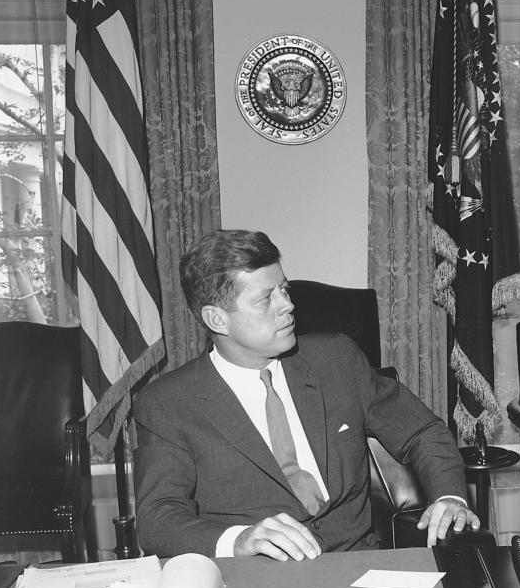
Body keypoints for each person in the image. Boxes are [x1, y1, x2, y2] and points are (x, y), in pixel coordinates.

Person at [135, 229, 478, 560]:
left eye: (283, 288)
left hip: (357, 568)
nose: (287, 305)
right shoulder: (168, 403)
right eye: (264, 298)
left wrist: (449, 498)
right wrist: (238, 540)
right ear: (217, 319)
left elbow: (421, 431)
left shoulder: (337, 359)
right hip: (255, 582)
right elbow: (157, 517)